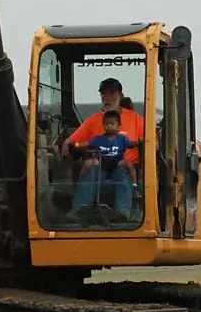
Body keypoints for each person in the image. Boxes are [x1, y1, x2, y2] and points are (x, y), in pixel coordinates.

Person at [61, 77, 144, 216]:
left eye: (112, 94)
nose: (107, 98)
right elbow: (73, 139)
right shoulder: (93, 119)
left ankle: (122, 215)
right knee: (90, 176)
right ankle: (78, 213)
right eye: (104, 94)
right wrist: (67, 143)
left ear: (120, 96)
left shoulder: (136, 119)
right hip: (100, 164)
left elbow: (151, 141)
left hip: (124, 165)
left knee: (123, 177)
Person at [72, 110, 138, 189]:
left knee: (129, 164)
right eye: (107, 124)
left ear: (118, 124)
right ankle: (80, 183)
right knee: (86, 163)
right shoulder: (97, 139)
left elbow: (131, 144)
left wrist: (138, 142)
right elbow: (86, 143)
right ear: (103, 124)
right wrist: (76, 144)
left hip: (117, 162)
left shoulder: (122, 139)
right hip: (101, 161)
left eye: (112, 124)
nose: (109, 126)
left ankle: (134, 184)